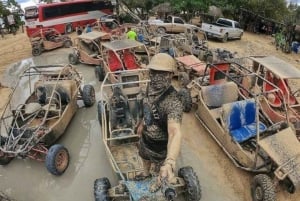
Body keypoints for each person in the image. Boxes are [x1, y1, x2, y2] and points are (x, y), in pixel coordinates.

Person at [136, 53, 183, 192]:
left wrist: (170, 162)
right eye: (153, 72)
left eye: (161, 73)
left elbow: (175, 132)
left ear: (170, 75)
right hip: (146, 137)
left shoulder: (173, 101)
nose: (156, 77)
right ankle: (145, 173)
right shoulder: (150, 88)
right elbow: (146, 106)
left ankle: (157, 183)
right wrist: (141, 123)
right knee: (144, 156)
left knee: (160, 170)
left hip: (161, 146)